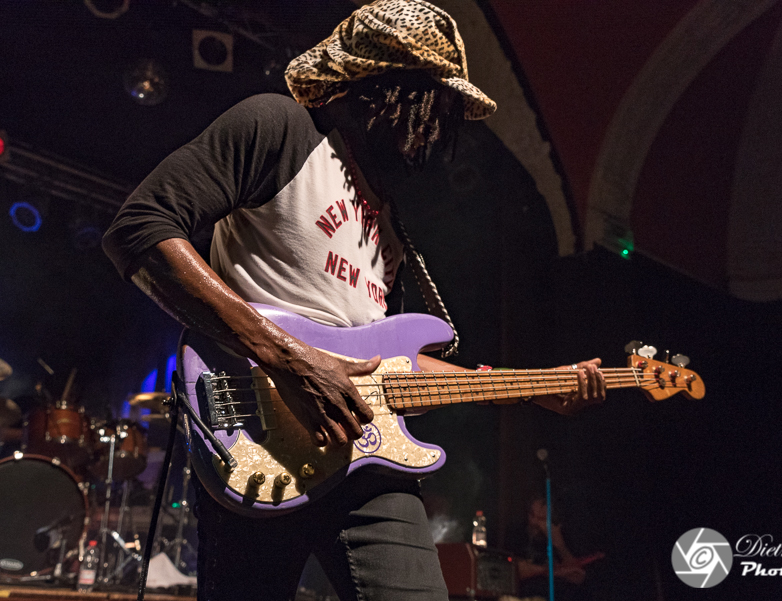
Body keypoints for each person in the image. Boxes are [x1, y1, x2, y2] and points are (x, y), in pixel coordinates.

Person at [102, 1, 606, 600]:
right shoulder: (278, 127)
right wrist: (290, 360)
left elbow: (387, 365)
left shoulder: (388, 223)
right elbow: (139, 229)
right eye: (433, 101)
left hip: (369, 459)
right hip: (257, 441)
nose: (439, 125)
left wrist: (536, 388)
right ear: (383, 88)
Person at [510, 498, 596, 601]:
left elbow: (578, 577)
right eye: (532, 515)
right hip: (525, 595)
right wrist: (553, 571)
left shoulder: (565, 537)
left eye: (542, 519)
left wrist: (560, 545)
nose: (535, 522)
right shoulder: (517, 533)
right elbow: (514, 570)